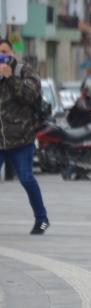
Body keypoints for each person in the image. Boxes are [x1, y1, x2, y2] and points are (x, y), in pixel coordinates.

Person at [0, 38, 50, 234]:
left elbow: (30, 96)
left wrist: (10, 77)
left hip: (21, 138)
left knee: (27, 179)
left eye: (5, 51)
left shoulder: (24, 71)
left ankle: (42, 219)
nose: (2, 55)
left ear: (12, 53)